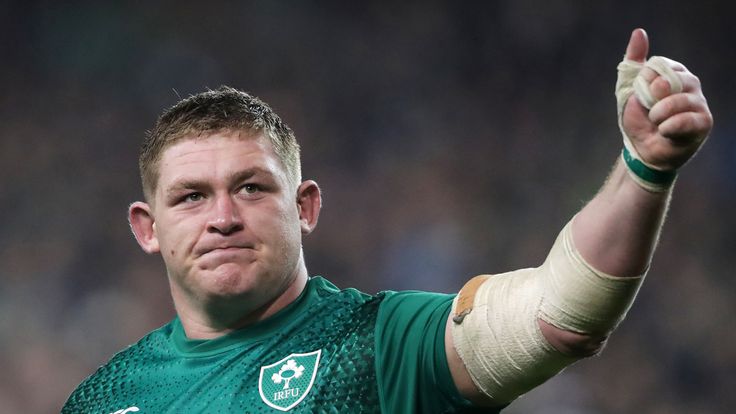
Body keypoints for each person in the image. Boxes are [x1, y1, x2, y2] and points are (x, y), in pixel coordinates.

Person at [62, 28, 712, 413]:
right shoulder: (103, 397)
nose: (223, 218)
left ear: (306, 206)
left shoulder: (379, 343)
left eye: (252, 188)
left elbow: (561, 314)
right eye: (191, 197)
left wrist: (644, 169)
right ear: (147, 228)